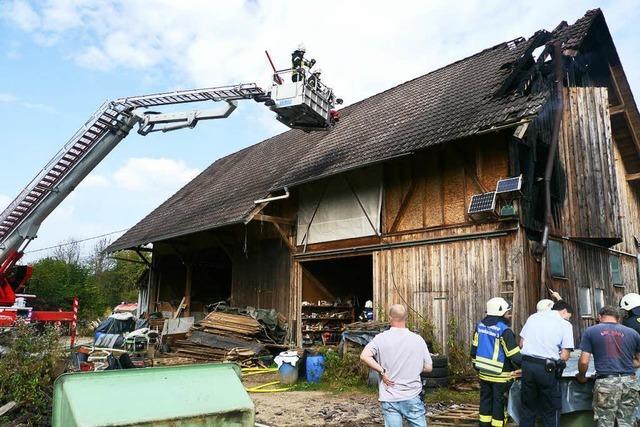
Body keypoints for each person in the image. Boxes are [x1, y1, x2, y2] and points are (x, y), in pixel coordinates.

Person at [360, 304, 432, 427]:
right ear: (406, 318)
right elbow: (429, 367)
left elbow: (364, 356)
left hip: (389, 397)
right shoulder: (418, 340)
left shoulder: (380, 338)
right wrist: (414, 368)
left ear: (390, 318)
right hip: (412, 395)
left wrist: (382, 371)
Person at [576, 306, 640, 427]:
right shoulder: (633, 333)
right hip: (630, 382)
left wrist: (581, 376)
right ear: (618, 318)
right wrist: (623, 364)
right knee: (628, 422)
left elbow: (584, 362)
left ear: (599, 317)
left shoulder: (591, 331)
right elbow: (639, 362)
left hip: (606, 382)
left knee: (605, 423)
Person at [519, 300, 574, 427]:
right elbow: (565, 356)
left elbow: (521, 343)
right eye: (568, 316)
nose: (568, 319)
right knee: (551, 408)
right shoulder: (565, 325)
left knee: (528, 407)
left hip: (527, 364)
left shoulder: (533, 317)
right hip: (546, 368)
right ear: (564, 311)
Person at [471, 297, 522, 427]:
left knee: (485, 404)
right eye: (508, 312)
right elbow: (514, 356)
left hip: (484, 374)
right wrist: (528, 366)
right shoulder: (504, 330)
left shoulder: (480, 326)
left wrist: (477, 368)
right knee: (499, 406)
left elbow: (473, 350)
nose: (509, 315)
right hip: (501, 377)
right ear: (501, 313)